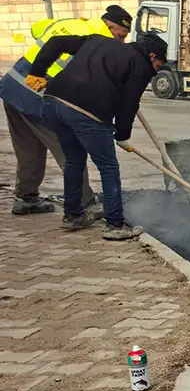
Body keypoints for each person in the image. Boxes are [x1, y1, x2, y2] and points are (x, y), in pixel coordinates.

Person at [24, 31, 167, 240]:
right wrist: (122, 135)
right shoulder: (141, 65)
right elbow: (128, 105)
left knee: (74, 161)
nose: (156, 71)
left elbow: (56, 42)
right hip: (87, 113)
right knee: (109, 168)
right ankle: (115, 225)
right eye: (158, 65)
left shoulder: (97, 40)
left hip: (53, 103)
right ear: (152, 55)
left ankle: (73, 215)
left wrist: (37, 71)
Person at [0, 6, 132, 216]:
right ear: (109, 27)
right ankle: (85, 203)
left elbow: (36, 29)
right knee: (70, 150)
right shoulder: (97, 44)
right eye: (121, 35)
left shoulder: (69, 23)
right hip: (37, 95)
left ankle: (26, 198)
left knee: (29, 149)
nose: (121, 42)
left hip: (12, 87)